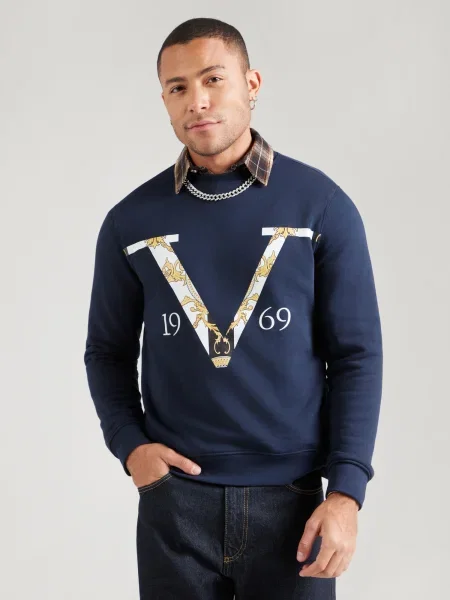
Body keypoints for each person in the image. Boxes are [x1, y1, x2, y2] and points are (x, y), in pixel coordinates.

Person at [84, 17, 383, 600]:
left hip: (295, 507)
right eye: (177, 87)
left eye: (213, 79)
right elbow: (106, 351)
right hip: (174, 506)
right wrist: (131, 447)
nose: (196, 101)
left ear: (251, 84)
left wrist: (347, 492)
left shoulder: (321, 206)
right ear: (165, 102)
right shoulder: (130, 222)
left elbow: (356, 356)